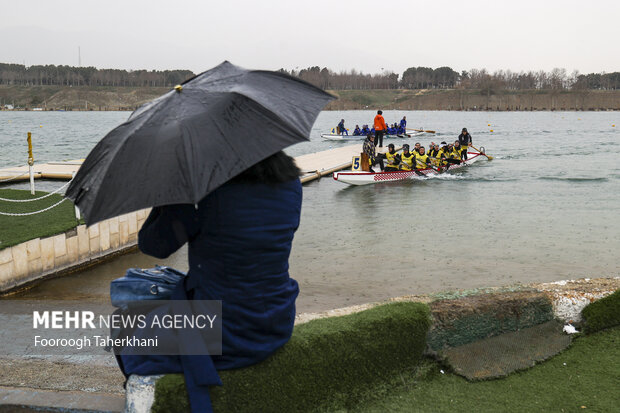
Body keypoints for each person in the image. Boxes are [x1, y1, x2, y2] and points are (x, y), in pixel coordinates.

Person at [120, 151, 303, 412]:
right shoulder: (290, 182)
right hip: (276, 320)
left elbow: (155, 245)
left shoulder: (202, 186)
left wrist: (169, 192)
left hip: (223, 331)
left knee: (126, 332)